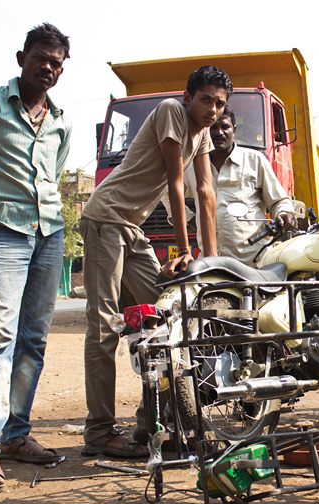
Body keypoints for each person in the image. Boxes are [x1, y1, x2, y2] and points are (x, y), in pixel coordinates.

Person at [79, 66, 231, 458]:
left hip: (131, 228)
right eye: (206, 100)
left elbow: (205, 192)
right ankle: (98, 432)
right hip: (105, 218)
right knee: (105, 326)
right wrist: (184, 250)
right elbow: (177, 184)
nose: (213, 109)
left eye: (220, 104)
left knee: (167, 320)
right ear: (188, 97)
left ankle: (151, 424)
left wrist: (209, 263)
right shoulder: (170, 112)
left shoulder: (201, 135)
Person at [0, 23, 71, 493]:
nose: (48, 67)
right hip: (3, 230)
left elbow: (56, 173)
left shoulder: (61, 119)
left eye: (57, 63)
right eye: (42, 57)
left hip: (50, 234)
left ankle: (17, 434)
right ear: (21, 57)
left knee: (34, 339)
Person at [180, 105, 297, 264]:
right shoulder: (192, 166)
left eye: (225, 127)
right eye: (213, 127)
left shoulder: (254, 160)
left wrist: (283, 213)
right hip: (212, 263)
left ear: (234, 130)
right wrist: (191, 219)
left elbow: (278, 201)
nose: (219, 132)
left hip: (255, 262)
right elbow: (168, 193)